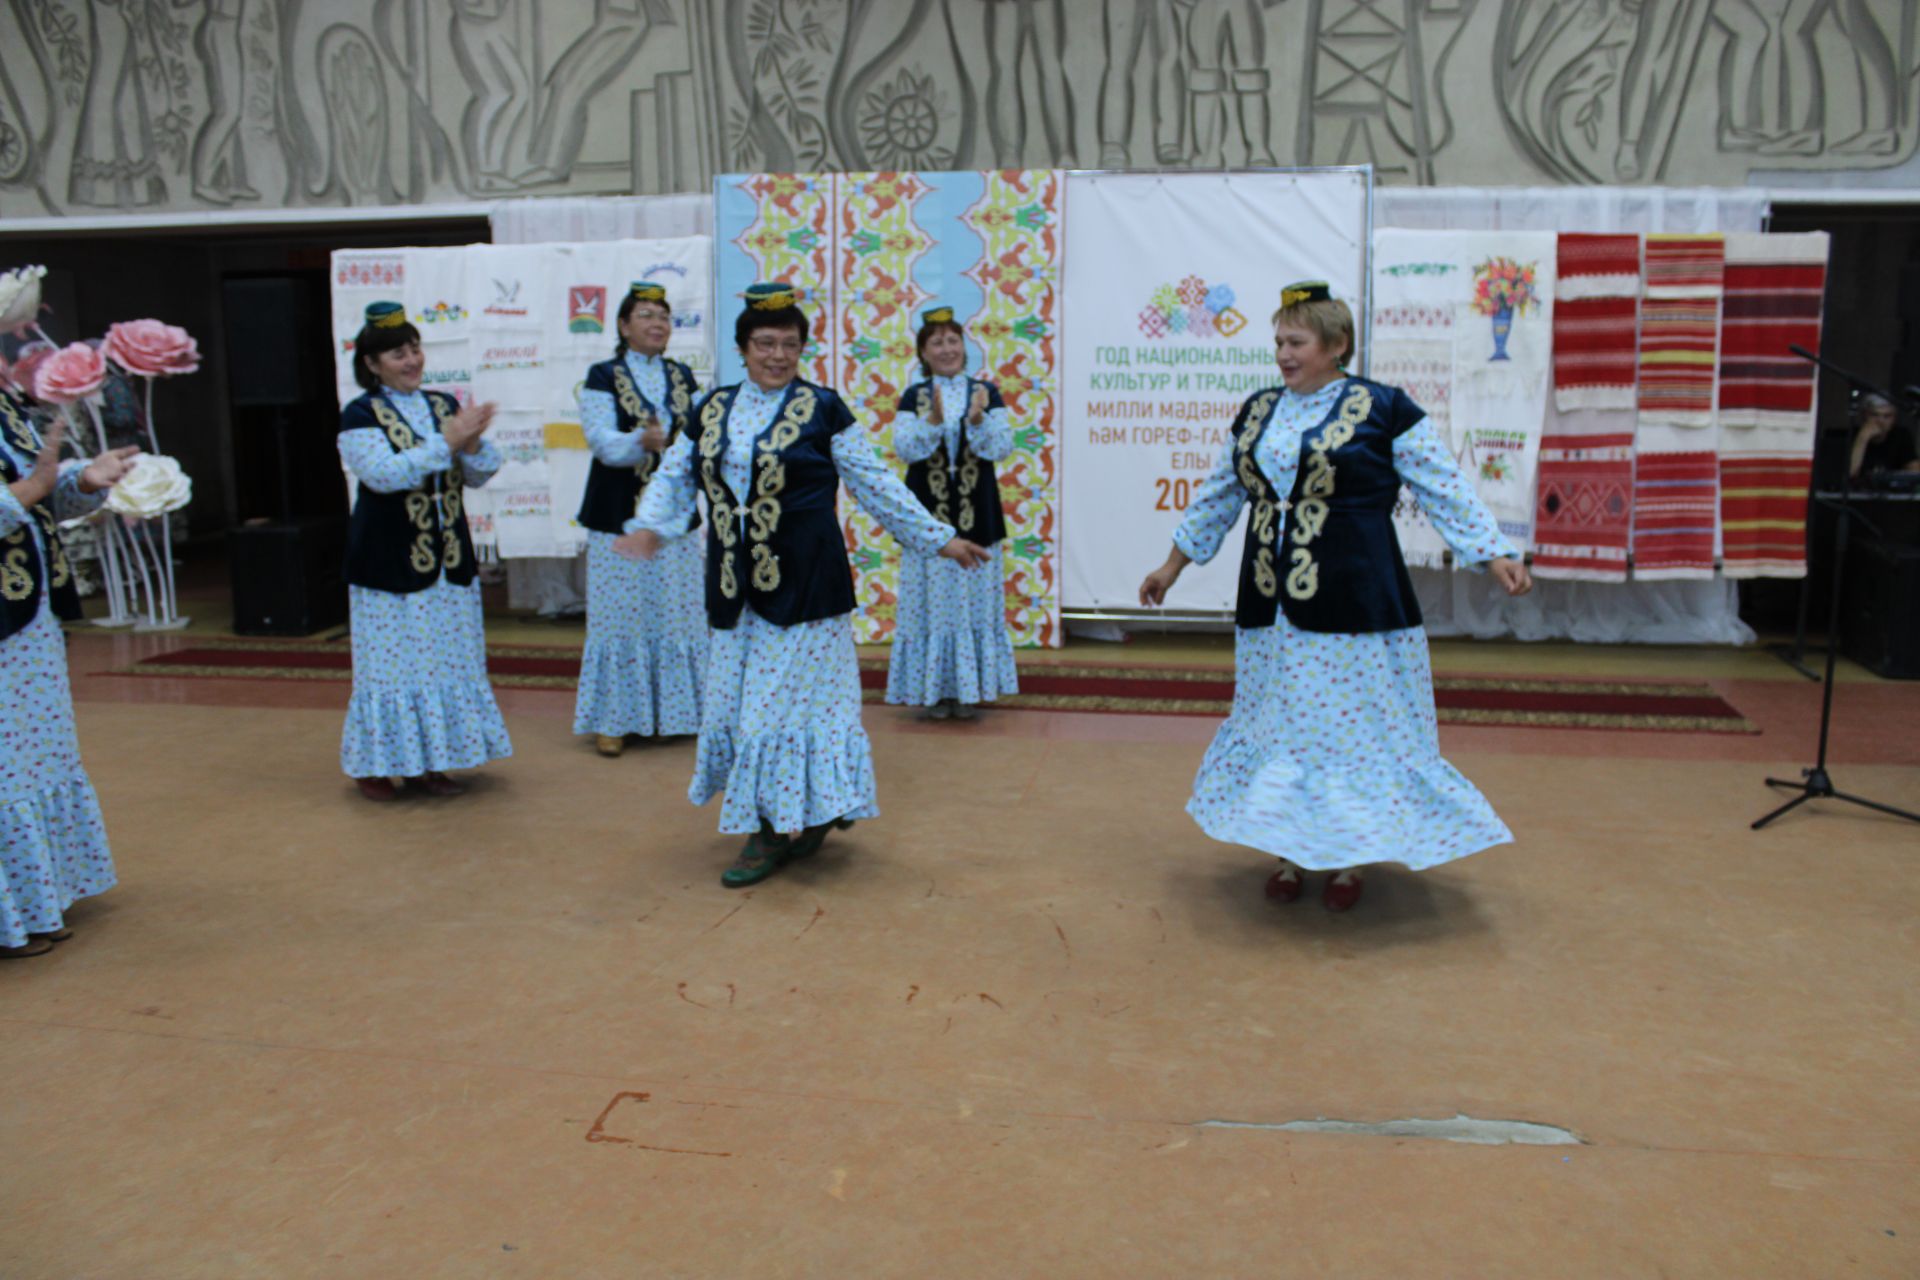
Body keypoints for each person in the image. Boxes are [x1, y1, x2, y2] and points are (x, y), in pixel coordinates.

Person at [1139, 282, 1532, 912]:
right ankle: (1290, 851)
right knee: (1284, 729)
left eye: (1295, 342)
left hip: (1356, 600)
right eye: (1278, 342)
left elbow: (1443, 485)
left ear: (1336, 345)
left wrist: (1494, 552)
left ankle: (1348, 858)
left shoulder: (1385, 408)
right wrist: (1172, 565)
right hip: (1271, 605)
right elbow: (1220, 491)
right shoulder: (1259, 410)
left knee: (1350, 735)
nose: (1283, 354)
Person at [615, 283, 989, 888]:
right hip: (734, 588)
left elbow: (875, 482)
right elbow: (676, 474)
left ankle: (765, 832)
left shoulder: (823, 408)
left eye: (790, 344)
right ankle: (809, 808)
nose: (778, 355)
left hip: (809, 586)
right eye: (765, 343)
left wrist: (936, 536)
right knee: (742, 712)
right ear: (742, 348)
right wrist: (649, 525)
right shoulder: (709, 409)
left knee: (773, 715)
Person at [338, 301, 510, 801]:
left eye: (415, 348)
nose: (412, 360)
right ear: (371, 364)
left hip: (449, 562)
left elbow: (478, 475)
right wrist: (447, 442)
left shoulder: (442, 403)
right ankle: (376, 766)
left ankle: (431, 762)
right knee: (392, 669)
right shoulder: (360, 413)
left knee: (446, 663)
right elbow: (384, 475)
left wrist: (472, 444)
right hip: (388, 564)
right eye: (397, 353)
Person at [0, 395, 141, 958]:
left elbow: (38, 496)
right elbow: (26, 491)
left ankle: (36, 901)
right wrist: (34, 487)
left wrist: (82, 479)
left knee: (35, 758)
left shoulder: (7, 406)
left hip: (27, 613)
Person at [573, 281, 706, 756]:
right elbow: (601, 441)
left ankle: (677, 713)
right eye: (646, 315)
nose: (657, 324)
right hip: (618, 515)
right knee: (620, 617)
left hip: (672, 520)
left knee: (676, 613)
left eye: (664, 316)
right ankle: (615, 719)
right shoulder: (602, 375)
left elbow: (698, 437)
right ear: (624, 326)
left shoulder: (682, 376)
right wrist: (640, 442)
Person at [885, 306, 1019, 720]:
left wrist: (977, 420)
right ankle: (936, 691)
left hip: (978, 514)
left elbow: (1001, 447)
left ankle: (969, 690)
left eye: (953, 341)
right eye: (937, 342)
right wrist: (934, 420)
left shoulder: (986, 392)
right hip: (929, 517)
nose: (947, 349)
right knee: (932, 600)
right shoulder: (915, 396)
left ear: (965, 346)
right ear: (923, 353)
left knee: (974, 599)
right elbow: (906, 448)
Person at [1848, 392, 1919, 483]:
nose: (1880, 421)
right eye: (1874, 415)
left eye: (1887, 416)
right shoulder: (1851, 435)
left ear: (1894, 419)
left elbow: (1915, 472)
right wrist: (1863, 438)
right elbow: (1850, 473)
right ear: (1864, 416)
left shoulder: (1901, 435)